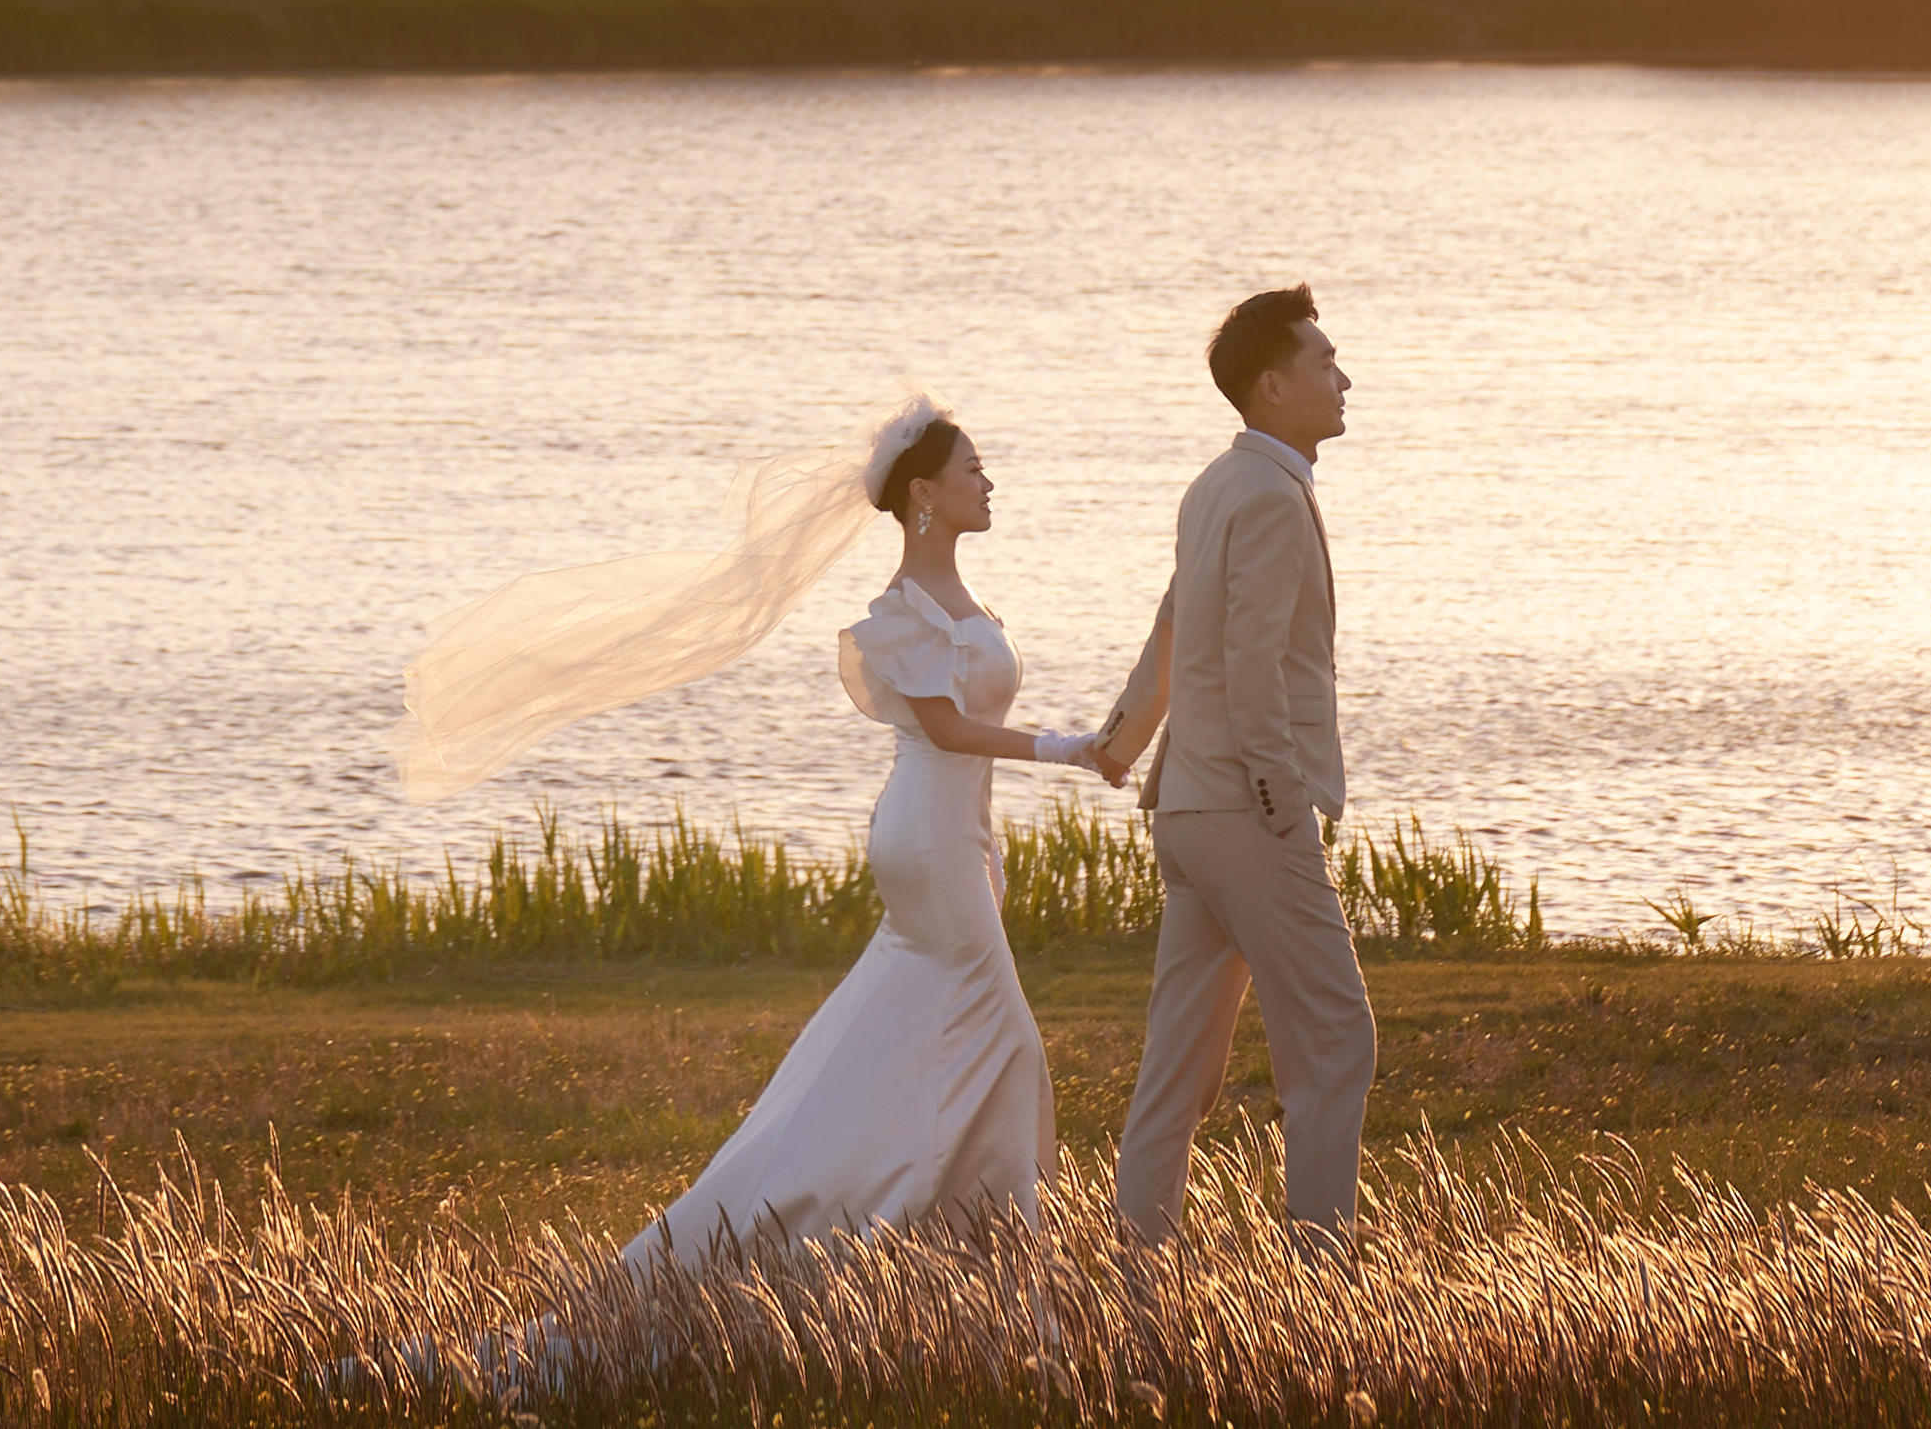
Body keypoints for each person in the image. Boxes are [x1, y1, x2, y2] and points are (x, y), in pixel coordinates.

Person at [386, 394, 1152, 1268]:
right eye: (972, 467)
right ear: (924, 495)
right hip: (926, 840)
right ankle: (969, 1242)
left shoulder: (957, 595)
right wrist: (1070, 751)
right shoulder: (905, 606)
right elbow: (944, 731)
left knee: (923, 1030)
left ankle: (923, 1231)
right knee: (1005, 1035)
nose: (989, 480)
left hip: (956, 837)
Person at [1098, 283, 1374, 1246]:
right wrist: (1283, 799)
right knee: (1337, 1042)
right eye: (1324, 363)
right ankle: (1321, 1275)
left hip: (1189, 812)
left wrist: (1124, 742)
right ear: (1271, 388)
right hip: (1247, 817)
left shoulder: (1217, 484)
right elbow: (1251, 664)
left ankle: (1136, 1271)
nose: (1343, 379)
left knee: (1180, 1068)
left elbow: (1175, 624)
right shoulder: (1265, 495)